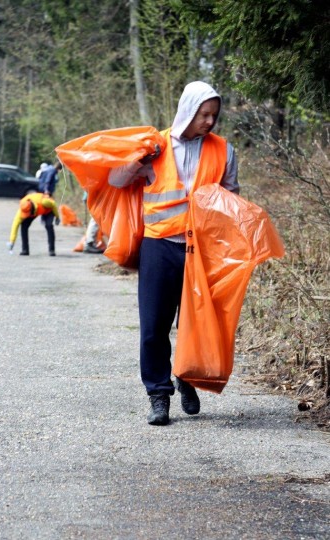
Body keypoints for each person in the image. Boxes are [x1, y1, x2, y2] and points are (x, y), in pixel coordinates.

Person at [109, 81, 240, 426]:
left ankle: (187, 378)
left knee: (195, 325)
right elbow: (117, 181)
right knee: (154, 325)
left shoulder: (224, 150)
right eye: (204, 114)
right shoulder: (154, 145)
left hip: (203, 251)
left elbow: (231, 198)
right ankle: (158, 395)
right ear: (188, 110)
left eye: (214, 115)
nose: (210, 121)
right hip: (158, 246)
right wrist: (137, 161)